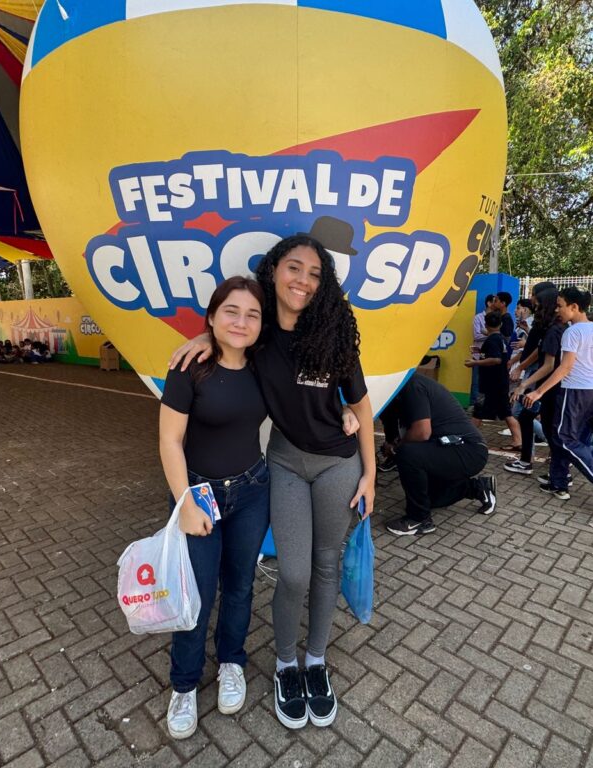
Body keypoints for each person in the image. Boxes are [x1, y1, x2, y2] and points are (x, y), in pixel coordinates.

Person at [171, 234, 376, 731]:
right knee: (294, 574)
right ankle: (285, 664)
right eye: (294, 268)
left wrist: (371, 474)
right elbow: (228, 337)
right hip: (283, 463)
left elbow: (362, 407)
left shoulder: (332, 333)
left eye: (314, 273)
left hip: (338, 465)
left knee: (325, 566)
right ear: (275, 270)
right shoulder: (256, 334)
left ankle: (315, 662)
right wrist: (203, 337)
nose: (303, 281)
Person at [159, 277, 271, 740]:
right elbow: (169, 440)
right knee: (196, 595)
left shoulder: (266, 365)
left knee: (241, 586)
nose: (241, 322)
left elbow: (314, 389)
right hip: (198, 492)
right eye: (231, 311)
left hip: (251, 490)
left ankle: (231, 662)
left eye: (252, 314)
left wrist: (345, 412)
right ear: (211, 315)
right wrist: (185, 502)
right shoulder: (191, 366)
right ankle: (184, 684)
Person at [524, 287, 593, 515]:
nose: (557, 310)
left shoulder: (571, 332)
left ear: (574, 307)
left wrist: (538, 392)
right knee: (567, 436)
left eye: (560, 305)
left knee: (565, 438)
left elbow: (565, 367)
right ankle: (558, 481)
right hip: (589, 391)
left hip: (574, 391)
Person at [383, 374, 496, 536]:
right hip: (445, 448)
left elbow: (422, 432)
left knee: (407, 454)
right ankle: (476, 487)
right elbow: (393, 428)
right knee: (431, 499)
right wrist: (391, 444)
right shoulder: (393, 395)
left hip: (468, 450)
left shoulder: (412, 385)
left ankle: (419, 519)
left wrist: (396, 448)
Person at [505, 283, 564, 477]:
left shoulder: (555, 326)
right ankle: (553, 466)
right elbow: (540, 349)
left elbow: (546, 360)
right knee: (535, 419)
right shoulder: (546, 322)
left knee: (542, 422)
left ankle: (557, 468)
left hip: (547, 382)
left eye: (533, 295)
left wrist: (525, 383)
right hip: (542, 380)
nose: (530, 298)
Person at [466, 311, 520, 448]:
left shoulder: (492, 340)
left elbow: (496, 359)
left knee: (478, 411)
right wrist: (479, 356)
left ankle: (469, 438)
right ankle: (518, 440)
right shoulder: (499, 339)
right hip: (499, 382)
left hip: (491, 383)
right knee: (505, 412)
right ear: (500, 324)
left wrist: (476, 363)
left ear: (486, 324)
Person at [467, 294, 496, 414]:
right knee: (477, 381)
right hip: (479, 355)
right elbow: (476, 335)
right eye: (495, 301)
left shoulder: (497, 318)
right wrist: (491, 333)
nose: (497, 303)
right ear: (489, 303)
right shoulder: (478, 318)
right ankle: (475, 406)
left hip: (492, 356)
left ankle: (488, 406)